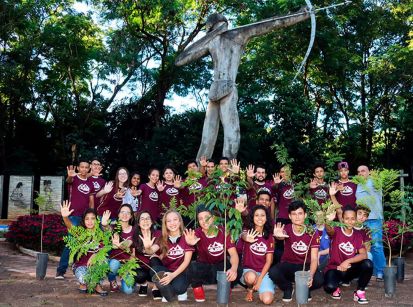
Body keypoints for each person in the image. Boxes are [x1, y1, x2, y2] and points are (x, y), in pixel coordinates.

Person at [175, 9, 310, 160]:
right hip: (214, 89)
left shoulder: (238, 34)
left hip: (228, 87)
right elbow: (180, 60)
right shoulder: (212, 41)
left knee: (232, 133)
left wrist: (302, 14)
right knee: (207, 136)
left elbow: (271, 23)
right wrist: (212, 34)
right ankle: (198, 173)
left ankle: (229, 171)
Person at [269, 200, 323, 302]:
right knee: (273, 272)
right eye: (294, 214)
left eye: (300, 213)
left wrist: (310, 275)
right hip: (289, 264)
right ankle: (288, 287)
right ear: (289, 216)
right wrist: (278, 235)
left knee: (319, 280)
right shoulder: (287, 228)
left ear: (305, 215)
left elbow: (315, 258)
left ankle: (304, 287)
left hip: (305, 266)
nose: (297, 217)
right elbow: (282, 235)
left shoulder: (312, 232)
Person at [184, 206, 239, 302]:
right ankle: (198, 289)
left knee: (237, 267)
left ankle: (226, 287)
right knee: (192, 267)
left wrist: (233, 269)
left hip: (221, 269)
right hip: (205, 269)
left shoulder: (224, 231)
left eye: (207, 217)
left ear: (213, 218)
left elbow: (233, 254)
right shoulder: (197, 233)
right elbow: (190, 241)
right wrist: (190, 243)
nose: (204, 221)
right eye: (200, 219)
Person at [323, 202, 373, 304]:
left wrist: (347, 261)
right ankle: (336, 285)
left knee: (368, 263)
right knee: (329, 287)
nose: (350, 221)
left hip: (349, 269)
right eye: (347, 218)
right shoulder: (336, 231)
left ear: (355, 219)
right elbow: (329, 230)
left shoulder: (358, 235)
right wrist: (328, 221)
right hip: (335, 268)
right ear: (342, 218)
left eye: (352, 218)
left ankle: (359, 291)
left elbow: (364, 254)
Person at [60, 200, 109, 296]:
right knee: (84, 278)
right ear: (83, 220)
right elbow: (70, 227)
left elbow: (106, 246)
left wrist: (95, 255)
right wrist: (65, 217)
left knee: (104, 261)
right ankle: (83, 283)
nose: (90, 221)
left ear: (97, 220)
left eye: (93, 218)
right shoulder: (80, 232)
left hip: (96, 265)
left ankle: (97, 285)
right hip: (81, 266)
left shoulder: (101, 233)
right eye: (87, 219)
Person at [56, 161, 94, 279]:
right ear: (78, 168)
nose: (84, 169)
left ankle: (77, 266)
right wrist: (70, 175)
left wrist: (93, 215)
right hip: (73, 216)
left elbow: (91, 200)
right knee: (71, 243)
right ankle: (60, 271)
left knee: (84, 243)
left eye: (86, 167)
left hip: (85, 218)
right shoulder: (74, 178)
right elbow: (69, 181)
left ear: (89, 169)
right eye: (81, 167)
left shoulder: (90, 183)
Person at [149, 210, 194, 302]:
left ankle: (176, 291)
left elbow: (186, 262)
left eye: (175, 219)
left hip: (182, 272)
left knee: (179, 288)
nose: (172, 223)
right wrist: (147, 247)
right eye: (168, 221)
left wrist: (172, 276)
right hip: (167, 270)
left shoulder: (187, 237)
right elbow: (151, 250)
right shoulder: (163, 238)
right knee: (154, 269)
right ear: (165, 224)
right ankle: (168, 292)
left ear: (180, 221)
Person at [356, 165, 385, 281]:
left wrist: (376, 176)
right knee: (363, 247)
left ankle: (380, 272)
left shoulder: (374, 181)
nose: (360, 173)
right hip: (361, 220)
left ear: (369, 172)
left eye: (363, 171)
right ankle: (369, 271)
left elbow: (380, 184)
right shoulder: (358, 185)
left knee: (377, 246)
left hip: (374, 219)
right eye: (358, 172)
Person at [241, 205, 275, 304]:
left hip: (263, 272)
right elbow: (244, 235)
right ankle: (250, 289)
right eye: (256, 215)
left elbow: (269, 261)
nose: (260, 218)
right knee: (250, 277)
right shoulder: (248, 230)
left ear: (266, 218)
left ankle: (265, 286)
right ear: (252, 217)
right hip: (249, 271)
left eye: (262, 215)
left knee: (267, 301)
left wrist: (260, 280)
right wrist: (247, 238)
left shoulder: (269, 237)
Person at [104, 204, 136, 294]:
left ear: (131, 216)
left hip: (127, 263)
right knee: (114, 263)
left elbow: (132, 248)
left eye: (127, 212)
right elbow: (107, 229)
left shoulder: (135, 230)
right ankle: (112, 279)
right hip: (114, 262)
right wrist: (104, 224)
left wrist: (128, 267)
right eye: (122, 212)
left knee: (128, 291)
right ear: (118, 215)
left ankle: (129, 281)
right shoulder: (114, 228)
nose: (124, 214)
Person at [133, 210, 162, 300]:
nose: (145, 221)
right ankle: (144, 284)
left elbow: (157, 250)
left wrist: (148, 248)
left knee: (154, 259)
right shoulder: (135, 235)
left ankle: (156, 287)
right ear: (138, 223)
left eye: (148, 218)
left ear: (152, 221)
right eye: (142, 219)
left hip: (155, 268)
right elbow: (133, 254)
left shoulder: (158, 234)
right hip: (143, 268)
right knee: (137, 274)